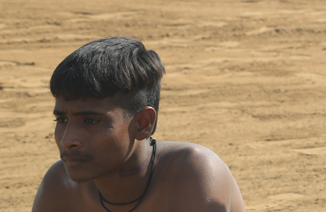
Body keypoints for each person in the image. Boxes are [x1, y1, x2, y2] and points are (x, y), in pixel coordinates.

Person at [32, 36, 246, 211]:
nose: (67, 140)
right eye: (61, 120)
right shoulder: (60, 183)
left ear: (143, 123)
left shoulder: (193, 172)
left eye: (91, 121)